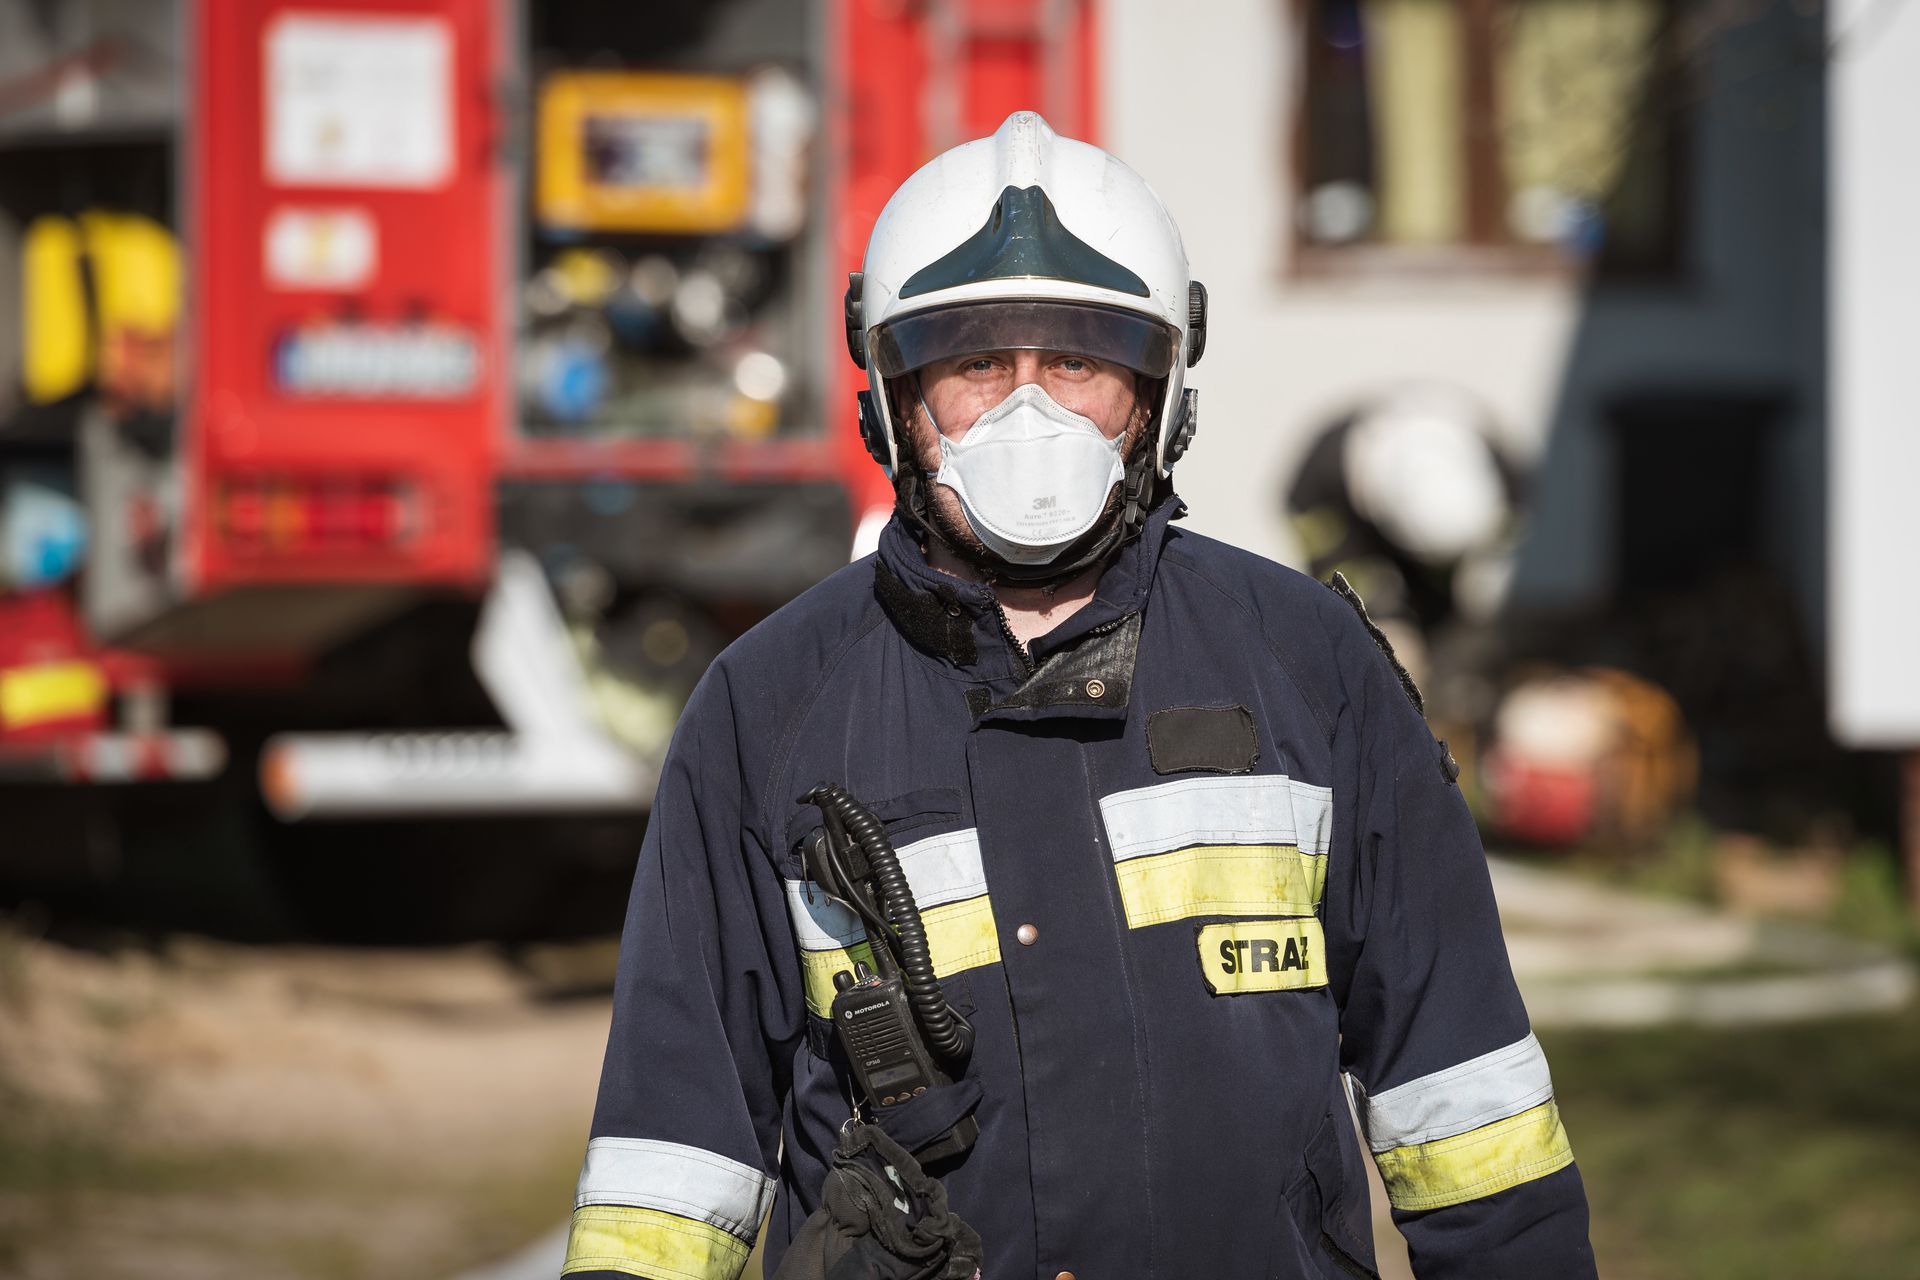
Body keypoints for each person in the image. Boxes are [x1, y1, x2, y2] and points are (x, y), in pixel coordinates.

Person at [562, 112, 1597, 1280]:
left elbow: (1469, 1113)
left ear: (1155, 394)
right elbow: (670, 1165)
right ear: (892, 399)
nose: (1030, 415)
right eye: (975, 365)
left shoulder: (1309, 667)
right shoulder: (767, 707)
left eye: (1078, 363)